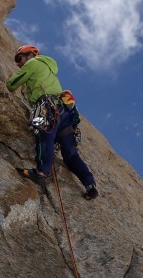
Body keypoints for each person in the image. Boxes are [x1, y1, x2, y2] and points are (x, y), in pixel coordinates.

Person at [6, 45, 98, 200]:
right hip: (64, 114)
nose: (18, 63)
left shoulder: (32, 63)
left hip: (48, 108)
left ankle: (42, 173)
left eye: (19, 58)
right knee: (70, 154)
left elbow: (11, 84)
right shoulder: (48, 68)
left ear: (30, 55)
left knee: (45, 137)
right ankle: (90, 185)